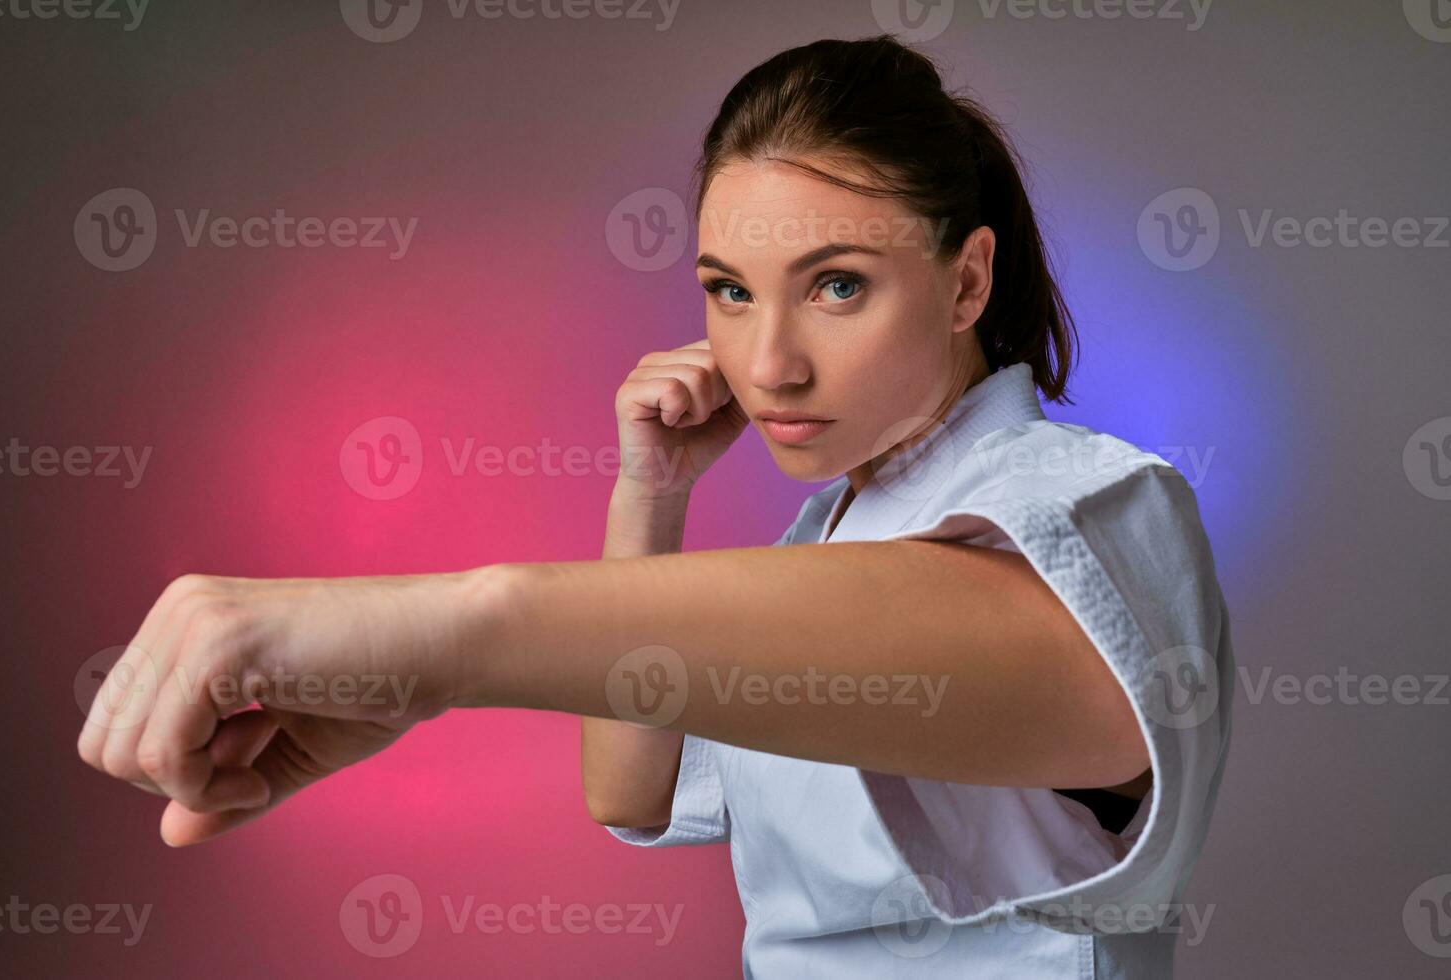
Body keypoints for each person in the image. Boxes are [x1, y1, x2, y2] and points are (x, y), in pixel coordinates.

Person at [77, 34, 1233, 979]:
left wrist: (449, 633)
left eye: (838, 285)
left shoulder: (1098, 503)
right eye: (729, 291)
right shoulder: (826, 537)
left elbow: (1030, 659)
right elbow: (628, 787)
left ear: (966, 280)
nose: (769, 361)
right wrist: (653, 489)